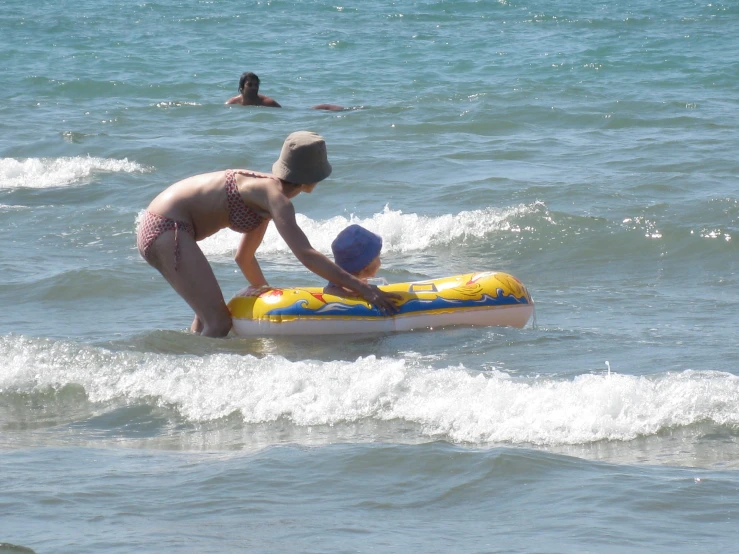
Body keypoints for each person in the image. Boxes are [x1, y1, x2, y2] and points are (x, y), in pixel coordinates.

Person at [136, 131, 399, 337]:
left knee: (206, 317)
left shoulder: (263, 196)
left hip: (164, 227)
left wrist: (264, 292)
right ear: (312, 178)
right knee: (219, 322)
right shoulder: (275, 198)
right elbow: (306, 254)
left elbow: (245, 257)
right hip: (168, 228)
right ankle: (201, 381)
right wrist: (361, 288)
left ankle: (192, 360)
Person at [325, 224, 387, 295]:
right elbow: (329, 290)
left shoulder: (340, 279)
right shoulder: (340, 286)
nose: (379, 258)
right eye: (378, 255)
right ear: (366, 266)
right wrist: (355, 293)